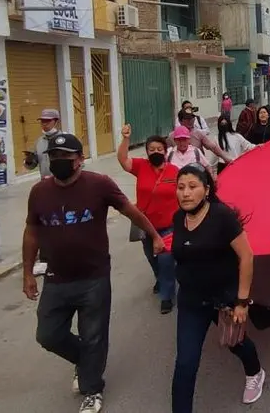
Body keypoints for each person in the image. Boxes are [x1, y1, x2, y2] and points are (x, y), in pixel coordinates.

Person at [22, 134, 164, 413]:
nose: (59, 162)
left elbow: (130, 211)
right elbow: (32, 231)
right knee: (48, 335)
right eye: (54, 157)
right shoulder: (39, 192)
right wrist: (28, 272)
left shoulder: (99, 185)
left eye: (66, 158)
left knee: (94, 336)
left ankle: (92, 389)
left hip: (93, 278)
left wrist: (154, 235)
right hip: (57, 278)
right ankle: (85, 362)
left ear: (80, 161)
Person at [171, 163, 265, 411]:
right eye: (180, 187)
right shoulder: (178, 217)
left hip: (223, 299)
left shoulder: (222, 216)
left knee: (237, 343)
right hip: (191, 301)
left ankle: (255, 372)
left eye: (192, 187)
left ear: (207, 189)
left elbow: (246, 256)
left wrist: (241, 302)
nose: (185, 193)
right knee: (185, 364)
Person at [117, 125, 180, 314]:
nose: (155, 152)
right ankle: (160, 279)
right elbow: (122, 159)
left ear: (166, 150)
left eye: (159, 149)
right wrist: (126, 138)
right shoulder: (140, 167)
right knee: (152, 258)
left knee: (166, 260)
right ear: (146, 152)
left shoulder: (175, 171)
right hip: (145, 226)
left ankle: (167, 296)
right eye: (151, 150)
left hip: (169, 226)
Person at [23, 108, 65, 276]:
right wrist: (29, 160)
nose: (44, 124)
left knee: (63, 222)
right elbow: (32, 165)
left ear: (56, 121)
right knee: (45, 223)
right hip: (46, 188)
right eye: (42, 121)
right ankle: (46, 258)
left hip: (63, 186)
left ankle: (65, 255)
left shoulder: (65, 139)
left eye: (48, 121)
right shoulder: (39, 142)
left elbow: (77, 163)